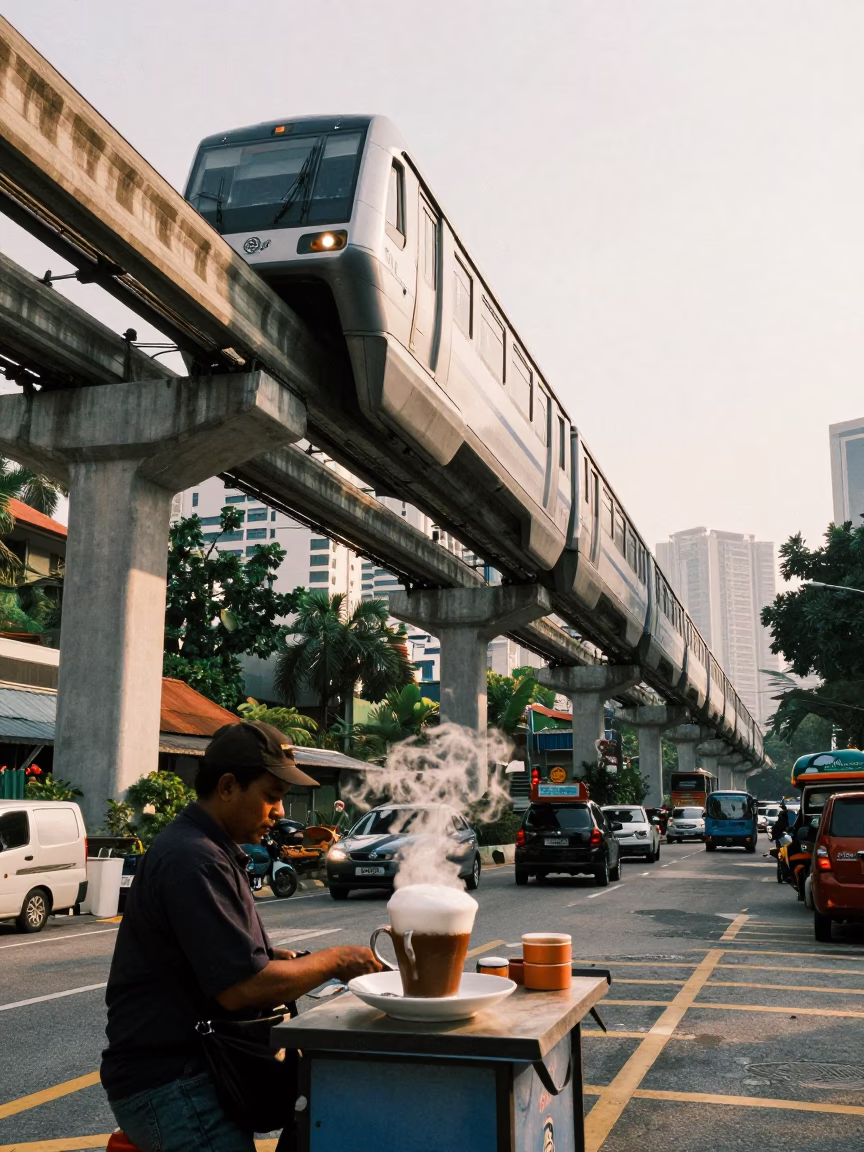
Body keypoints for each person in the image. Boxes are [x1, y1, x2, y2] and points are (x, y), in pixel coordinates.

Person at [101, 722, 380, 1152]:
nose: (281, 811)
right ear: (228, 786)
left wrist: (279, 958)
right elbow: (239, 988)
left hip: (198, 1067)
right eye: (271, 795)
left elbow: (225, 956)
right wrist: (337, 960)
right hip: (171, 1080)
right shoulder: (194, 858)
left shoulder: (210, 849)